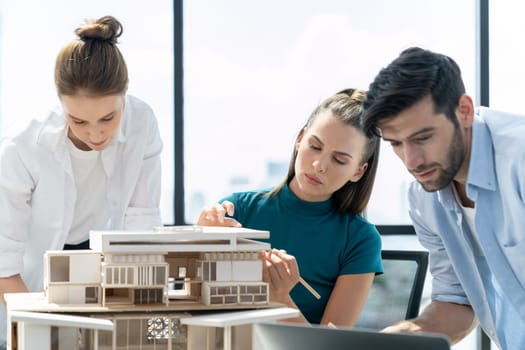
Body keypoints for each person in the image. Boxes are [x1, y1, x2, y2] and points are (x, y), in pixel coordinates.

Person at [0, 15, 162, 346]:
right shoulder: (22, 146)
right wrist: (44, 327)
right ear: (60, 102)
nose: (95, 133)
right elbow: (4, 265)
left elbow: (141, 233)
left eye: (108, 117)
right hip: (26, 277)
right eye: (78, 120)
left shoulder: (142, 123)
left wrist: (140, 323)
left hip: (100, 260)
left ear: (125, 91)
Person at [360, 46, 525, 349]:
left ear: (464, 110)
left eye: (423, 138)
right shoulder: (424, 199)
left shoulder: (519, 159)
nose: (412, 161)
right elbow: (457, 303)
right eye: (396, 143)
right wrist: (397, 339)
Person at [197, 89, 383, 326]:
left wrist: (280, 299)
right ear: (300, 139)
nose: (319, 165)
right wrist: (199, 241)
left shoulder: (359, 239)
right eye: (315, 146)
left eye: (339, 159)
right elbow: (190, 308)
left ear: (358, 171)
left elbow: (330, 346)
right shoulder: (237, 210)